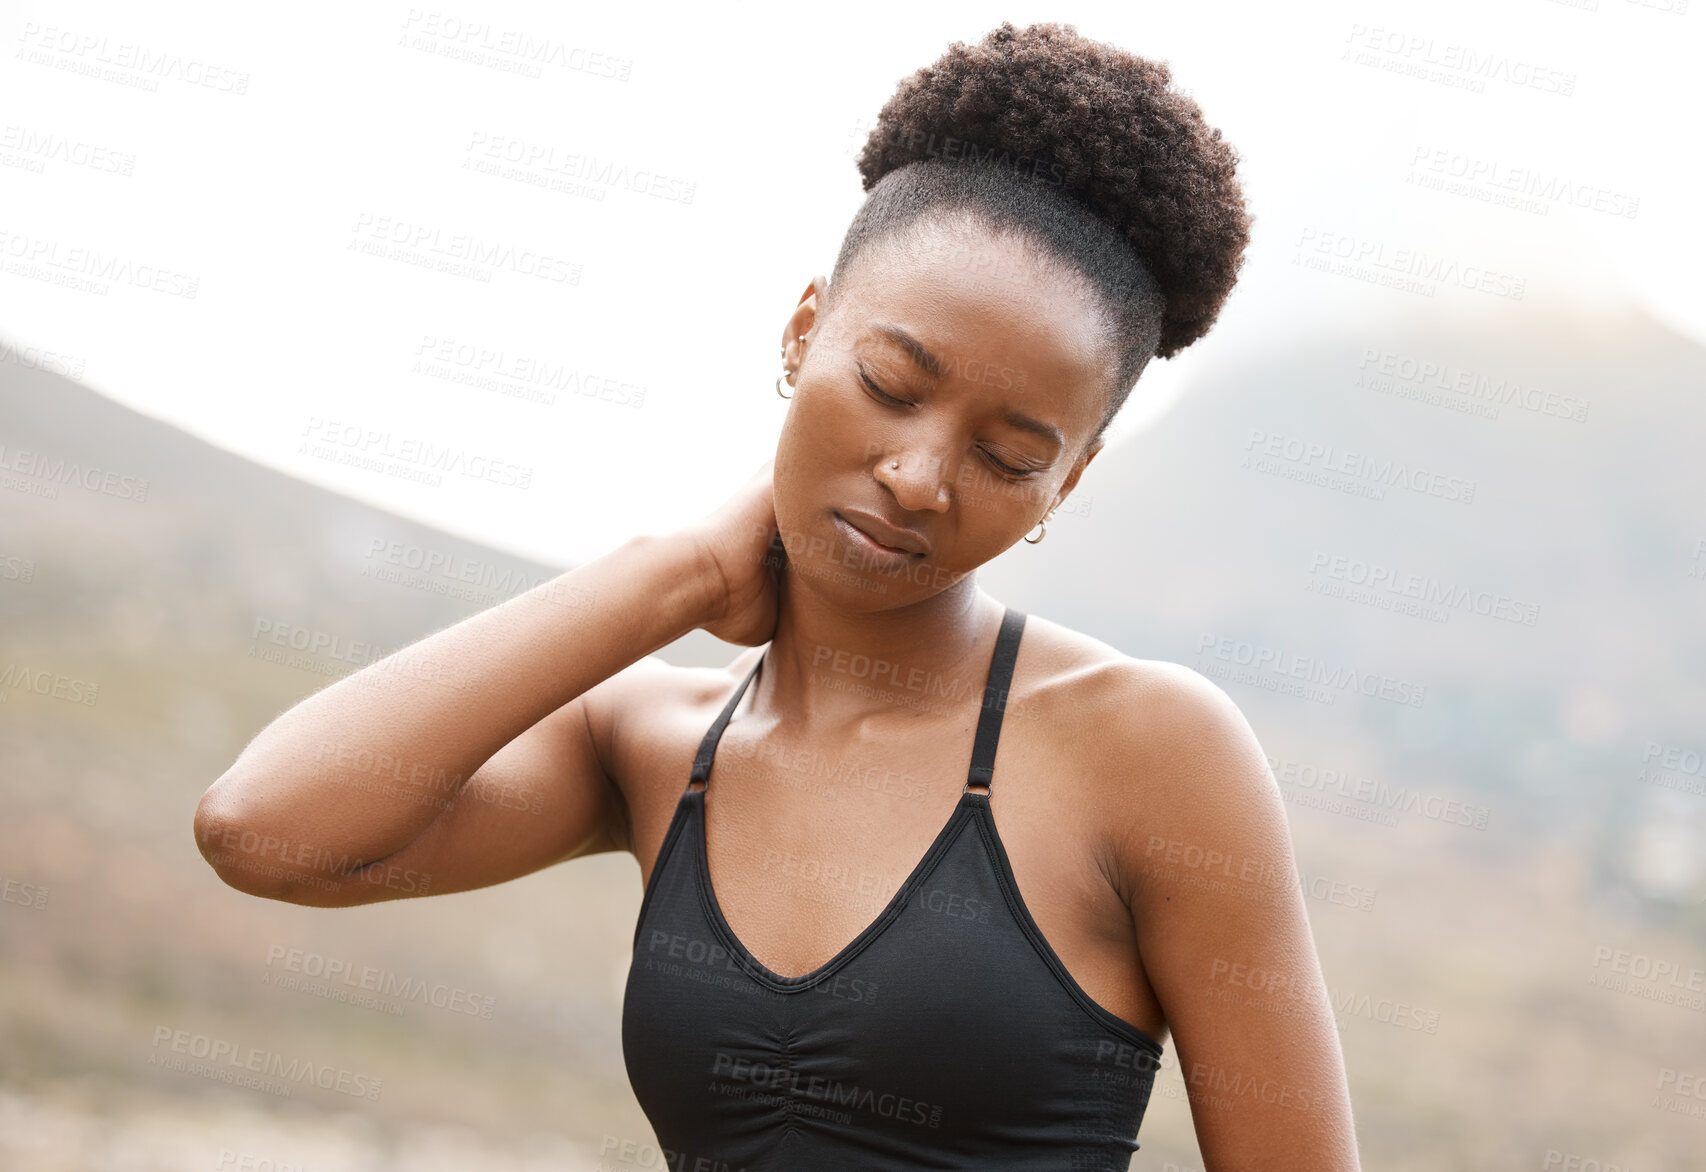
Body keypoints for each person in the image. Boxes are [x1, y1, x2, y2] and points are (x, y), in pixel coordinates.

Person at [194, 21, 1359, 1170]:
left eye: (1008, 456)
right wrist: (677, 573)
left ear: (1072, 474)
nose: (918, 477)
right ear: (804, 332)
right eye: (890, 383)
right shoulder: (650, 744)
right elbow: (266, 830)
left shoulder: (1148, 748)